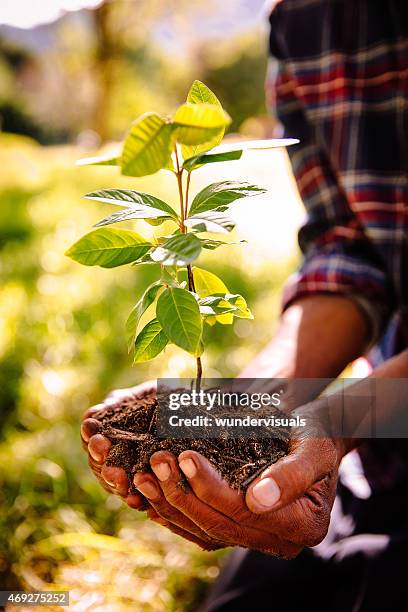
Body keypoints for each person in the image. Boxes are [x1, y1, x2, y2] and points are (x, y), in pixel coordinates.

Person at [81, 1, 408, 609]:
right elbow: (352, 250)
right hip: (390, 437)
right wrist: (257, 399)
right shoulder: (309, 22)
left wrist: (342, 421)